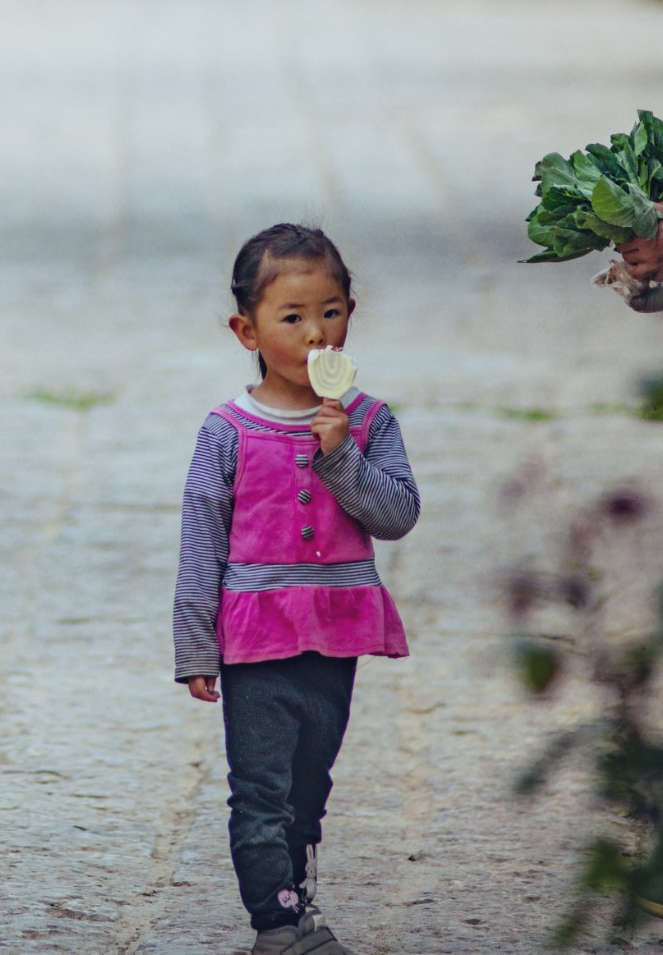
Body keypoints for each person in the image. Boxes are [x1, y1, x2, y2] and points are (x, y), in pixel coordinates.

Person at [173, 223, 420, 955]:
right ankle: (274, 925)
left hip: (336, 630)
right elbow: (200, 544)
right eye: (292, 318)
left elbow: (397, 515)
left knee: (308, 785)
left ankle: (297, 900)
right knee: (259, 791)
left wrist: (339, 453)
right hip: (255, 637)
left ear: (351, 310)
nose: (317, 333)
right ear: (244, 328)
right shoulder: (226, 430)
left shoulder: (368, 421)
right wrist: (194, 646)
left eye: (332, 311)